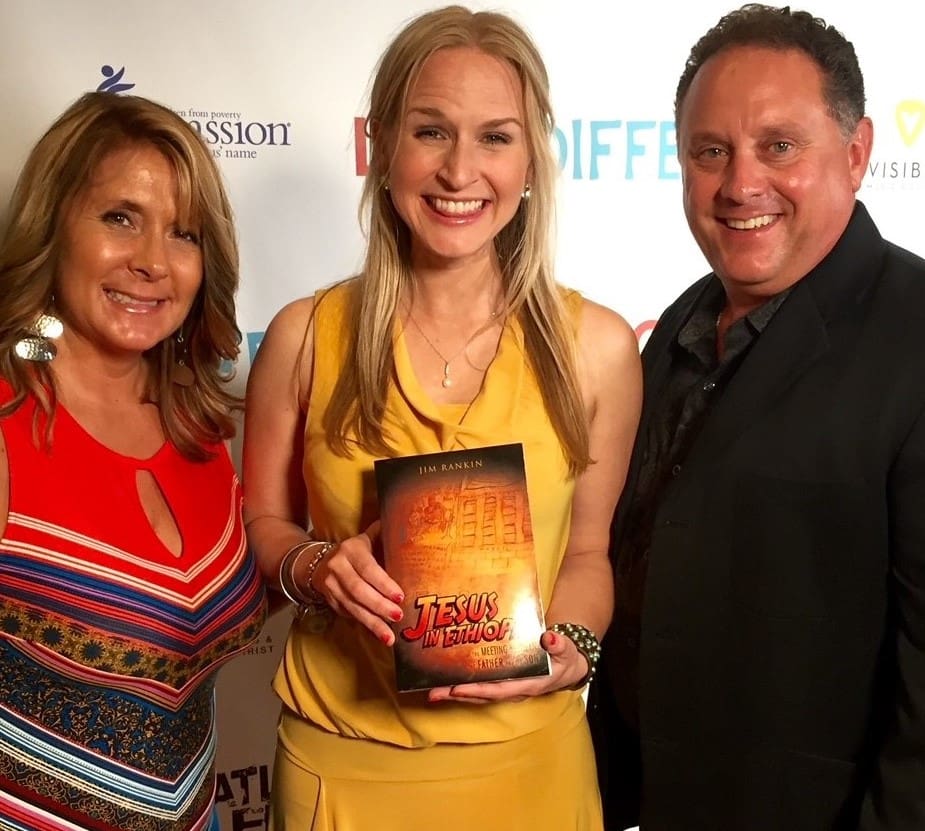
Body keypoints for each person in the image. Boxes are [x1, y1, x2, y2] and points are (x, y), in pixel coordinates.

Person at [243, 5, 641, 829]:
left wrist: (572, 647)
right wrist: (316, 568)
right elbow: (265, 523)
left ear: (532, 157)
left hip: (531, 765)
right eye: (431, 131)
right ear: (381, 143)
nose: (460, 171)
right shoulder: (303, 336)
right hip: (338, 762)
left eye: (495, 137)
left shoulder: (596, 347)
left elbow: (592, 552)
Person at [591, 3, 925, 829]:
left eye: (778, 146)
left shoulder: (915, 330)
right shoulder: (677, 322)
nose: (740, 184)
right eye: (710, 151)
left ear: (855, 153)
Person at [0, 92, 267, 830]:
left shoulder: (201, 430)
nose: (152, 261)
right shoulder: (6, 419)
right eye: (120, 217)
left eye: (183, 233)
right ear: (55, 224)